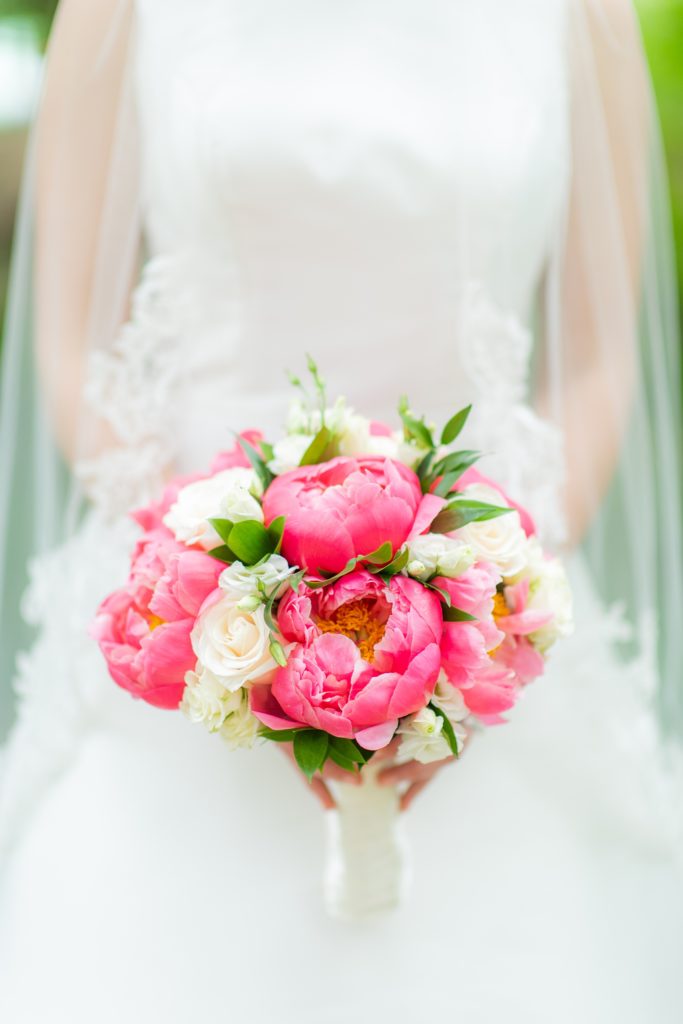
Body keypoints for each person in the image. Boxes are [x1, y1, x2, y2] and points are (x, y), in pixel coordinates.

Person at [0, 1, 681, 1021]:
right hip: (191, 627)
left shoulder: (584, 14)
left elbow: (591, 364)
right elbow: (69, 346)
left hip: (486, 622)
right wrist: (214, 596)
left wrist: (469, 627)